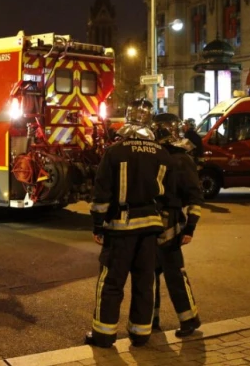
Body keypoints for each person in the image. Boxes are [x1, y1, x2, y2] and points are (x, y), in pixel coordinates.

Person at [85, 99, 176, 349]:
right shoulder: (161, 153)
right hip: (150, 230)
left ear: (127, 120)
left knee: (112, 283)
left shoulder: (115, 152)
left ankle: (104, 335)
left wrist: (97, 225)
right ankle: (140, 334)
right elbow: (170, 197)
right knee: (144, 283)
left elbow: (101, 194)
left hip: (120, 229)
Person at [152, 113, 203, 338]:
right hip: (152, 222)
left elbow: (195, 195)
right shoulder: (155, 154)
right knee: (149, 274)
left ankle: (189, 319)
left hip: (170, 223)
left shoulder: (181, 158)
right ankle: (151, 319)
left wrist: (190, 227)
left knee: (174, 273)